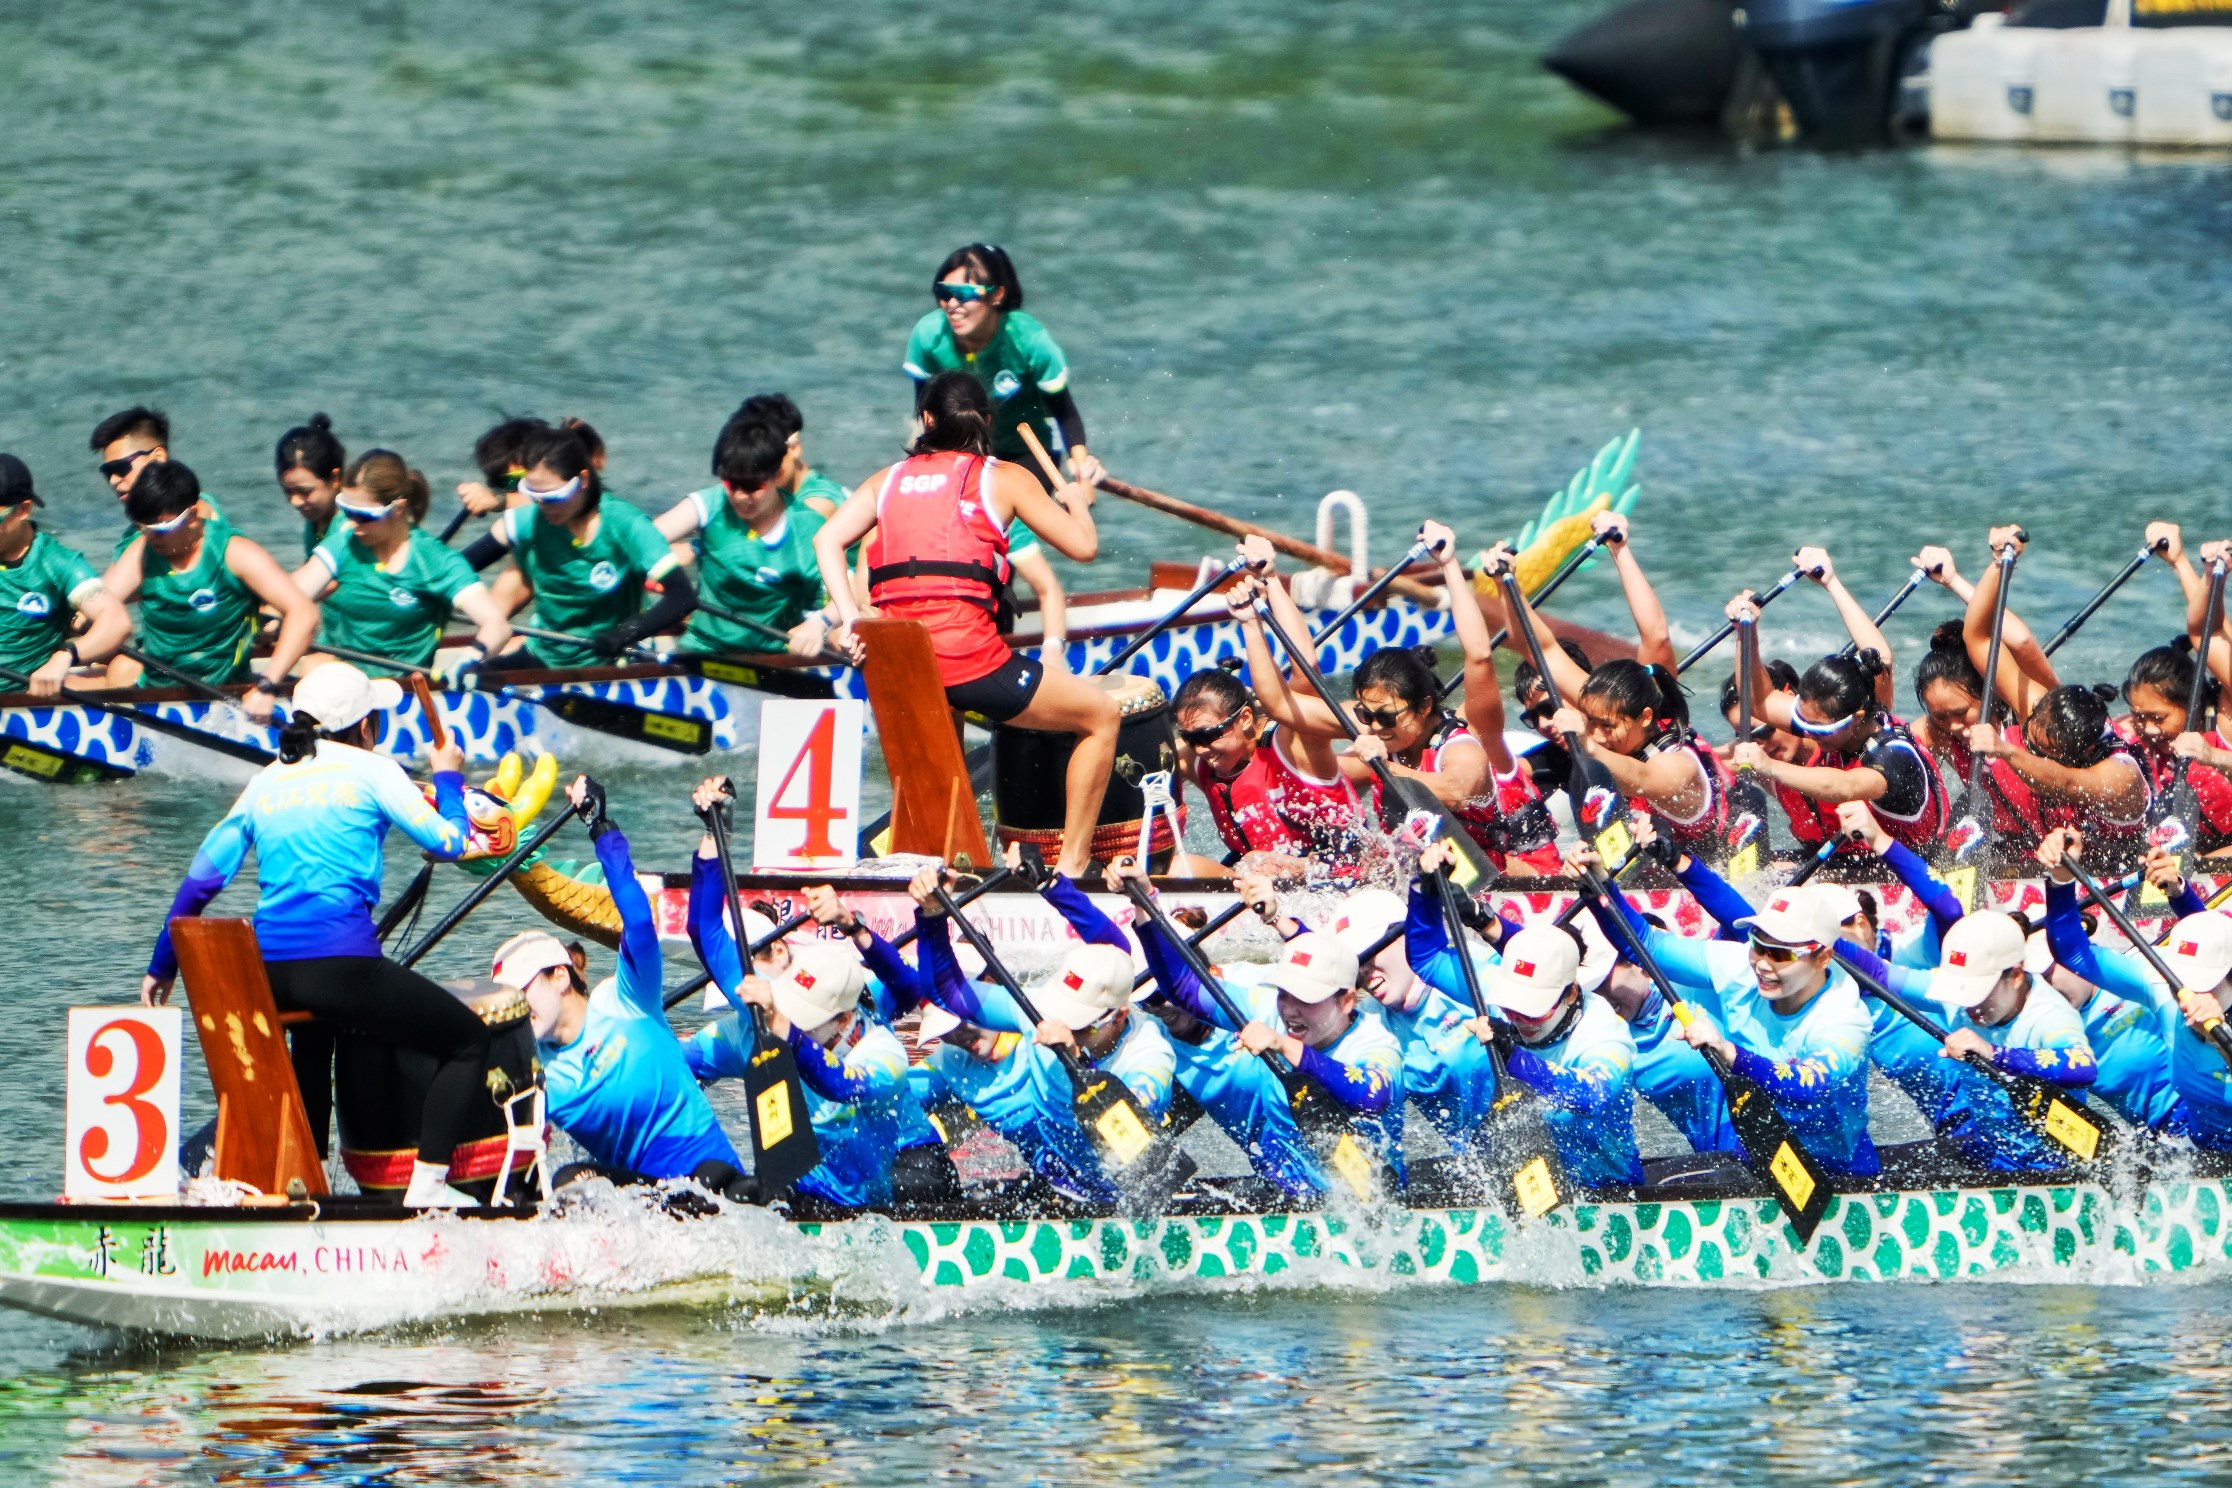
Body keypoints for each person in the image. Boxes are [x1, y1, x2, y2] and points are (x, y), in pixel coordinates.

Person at [138, 663, 488, 1207]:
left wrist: (162, 965)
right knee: (469, 1042)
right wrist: (447, 775)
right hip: (343, 971)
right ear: (366, 727)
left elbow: (200, 883)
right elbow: (452, 842)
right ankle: (429, 1191)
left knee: (316, 1039)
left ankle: (300, 1181)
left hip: (267, 977)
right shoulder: (372, 770)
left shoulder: (266, 781)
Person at [815, 371, 1116, 877]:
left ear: (927, 420)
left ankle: (946, 866)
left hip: (900, 669)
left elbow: (826, 540)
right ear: (988, 421)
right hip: (970, 666)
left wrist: (851, 622)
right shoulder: (1004, 477)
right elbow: (1084, 549)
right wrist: (1078, 505)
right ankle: (1071, 867)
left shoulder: (885, 481)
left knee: (944, 736)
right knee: (1101, 716)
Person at [679, 782, 947, 1212]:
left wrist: (852, 925)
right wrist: (716, 833)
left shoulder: (877, 1043)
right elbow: (704, 931)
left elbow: (907, 996)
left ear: (845, 1021)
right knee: (717, 1184)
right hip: (825, 1175)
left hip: (906, 1164)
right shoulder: (759, 1005)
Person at [493, 776, 747, 1202]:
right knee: (570, 1184)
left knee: (708, 1177)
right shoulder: (539, 1075)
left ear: (560, 976)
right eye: (507, 999)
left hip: (714, 1179)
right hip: (644, 1203)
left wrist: (600, 827)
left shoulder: (627, 999)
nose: (516, 1007)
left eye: (522, 990)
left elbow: (640, 922)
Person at [1248, 531, 1560, 874]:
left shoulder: (1463, 747)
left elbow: (1454, 790)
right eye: (1367, 715)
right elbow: (1280, 702)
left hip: (1518, 881)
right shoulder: (1379, 725)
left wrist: (1449, 563)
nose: (1376, 726)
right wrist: (1264, 596)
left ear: (1424, 707)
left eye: (1386, 717)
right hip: (1431, 875)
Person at [902, 866, 1174, 1206]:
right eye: (1065, 1015)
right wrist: (932, 914)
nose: (1062, 1027)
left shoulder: (1149, 1056)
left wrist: (1075, 1062)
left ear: (1118, 1016)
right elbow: (947, 990)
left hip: (1120, 1199)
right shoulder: (1040, 1012)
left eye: (1081, 1025)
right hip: (1054, 1187)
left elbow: (1135, 1134)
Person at [1584, 867, 1880, 1176]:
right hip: (1757, 1155)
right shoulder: (1738, 966)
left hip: (1837, 1171)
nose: (1763, 965)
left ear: (1822, 958)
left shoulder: (1843, 1018)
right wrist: (1599, 890)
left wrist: (1730, 1053)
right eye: (1758, 946)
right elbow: (1646, 944)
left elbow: (1806, 1085)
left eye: (1780, 954)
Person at [1127, 865, 1406, 1184]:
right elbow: (1181, 986)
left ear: (1345, 1000)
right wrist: (1144, 899)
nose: (1290, 1011)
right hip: (1284, 1194)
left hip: (1365, 1202)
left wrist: (1286, 1046)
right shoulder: (1265, 1009)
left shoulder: (1376, 1043)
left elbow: (1371, 1096)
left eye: (1307, 998)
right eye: (1285, 994)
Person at [461, 423, 697, 670]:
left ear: (583, 479)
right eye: (536, 497)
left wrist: (625, 633)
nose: (545, 507)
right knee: (470, 676)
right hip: (543, 657)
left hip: (612, 661)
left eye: (554, 497)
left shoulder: (627, 525)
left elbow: (682, 596)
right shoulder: (528, 520)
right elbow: (456, 569)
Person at [105, 461, 319, 722]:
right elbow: (100, 604)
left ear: (192, 515)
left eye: (161, 529)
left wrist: (268, 685)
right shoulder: (142, 551)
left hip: (223, 696)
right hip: (157, 695)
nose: (152, 538)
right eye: (144, 528)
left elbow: (303, 612)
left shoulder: (235, 552)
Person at [2036, 827, 2212, 1141]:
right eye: (2035, 981)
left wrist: (2179, 892)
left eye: (2048, 972)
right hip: (2176, 1147)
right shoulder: (2158, 989)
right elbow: (2073, 951)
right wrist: (2061, 879)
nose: (2046, 987)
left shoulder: (2169, 980)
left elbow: (2212, 948)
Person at [1730, 619, 1945, 856]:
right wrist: (1746, 633)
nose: (1809, 733)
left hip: (1911, 870)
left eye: (1819, 729)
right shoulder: (1834, 726)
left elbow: (1844, 786)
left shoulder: (1894, 755)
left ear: (1856, 718)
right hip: (1855, 863)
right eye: (1803, 723)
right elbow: (1759, 702)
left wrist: (1769, 766)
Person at [292, 451, 511, 678]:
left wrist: (471, 658)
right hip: (343, 678)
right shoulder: (344, 544)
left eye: (364, 516)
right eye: (347, 511)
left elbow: (497, 625)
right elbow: (290, 596)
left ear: (397, 509)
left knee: (317, 669)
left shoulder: (434, 560)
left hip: (401, 688)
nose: (352, 523)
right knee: (314, 665)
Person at [902, 243, 1102, 490]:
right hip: (959, 452)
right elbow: (924, 412)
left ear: (997, 295)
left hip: (1027, 453)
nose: (952, 304)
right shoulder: (928, 336)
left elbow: (1065, 413)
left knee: (1016, 524)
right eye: (944, 293)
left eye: (965, 294)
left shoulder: (1030, 341)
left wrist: (1083, 472)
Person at [1172, 637, 1361, 880]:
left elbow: (1305, 670)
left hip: (1332, 879)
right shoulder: (1198, 761)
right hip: (1255, 885)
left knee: (1257, 865)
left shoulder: (1290, 744)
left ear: (1245, 719)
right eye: (1191, 739)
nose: (1200, 749)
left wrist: (1252, 620)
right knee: (1178, 869)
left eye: (1208, 736)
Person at [654, 411, 837, 660]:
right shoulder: (710, 504)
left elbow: (848, 595)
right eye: (732, 484)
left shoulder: (810, 527)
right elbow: (643, 540)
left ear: (775, 476)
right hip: (704, 652)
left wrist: (820, 623)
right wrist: (670, 577)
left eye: (752, 487)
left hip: (776, 658)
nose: (740, 496)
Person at [0, 454, 133, 696]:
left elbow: (117, 622)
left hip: (24, 697)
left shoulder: (56, 563)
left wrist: (65, 656)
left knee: (128, 669)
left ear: (23, 510)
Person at [2118, 643, 2232, 858]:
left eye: (2159, 718)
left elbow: (2207, 631)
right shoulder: (2133, 735)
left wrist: (2211, 756)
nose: (2149, 729)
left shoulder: (2224, 729)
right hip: (2174, 861)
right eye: (2140, 717)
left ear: (2194, 705)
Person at [275, 414, 348, 560]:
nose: (295, 501)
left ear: (335, 479)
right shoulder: (316, 518)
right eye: (288, 490)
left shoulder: (353, 527)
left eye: (305, 491)